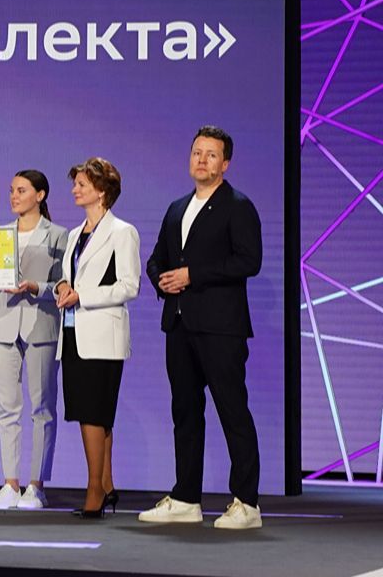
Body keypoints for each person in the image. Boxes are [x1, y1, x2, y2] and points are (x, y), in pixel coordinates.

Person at [140, 126, 264, 530]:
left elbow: (249, 261)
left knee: (232, 410)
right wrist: (162, 279)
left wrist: (193, 275)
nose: (202, 160)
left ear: (225, 163)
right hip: (178, 323)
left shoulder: (237, 206)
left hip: (221, 327)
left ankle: (247, 503)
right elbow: (156, 258)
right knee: (185, 412)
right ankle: (186, 498)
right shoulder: (177, 207)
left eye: (211, 154)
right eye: (197, 152)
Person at [0, 170, 69, 510]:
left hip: (41, 324)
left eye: (22, 190)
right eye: (12, 190)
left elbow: (63, 284)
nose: (14, 196)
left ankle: (36, 485)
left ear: (40, 195)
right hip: (2, 324)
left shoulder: (58, 235)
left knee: (42, 407)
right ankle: (10, 484)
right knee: (6, 408)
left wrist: (36, 287)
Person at [54, 157, 139, 520]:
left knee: (94, 411)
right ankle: (105, 483)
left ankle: (94, 490)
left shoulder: (122, 232)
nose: (75, 190)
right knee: (91, 413)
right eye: (75, 184)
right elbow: (69, 276)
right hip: (73, 331)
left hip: (103, 333)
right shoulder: (75, 234)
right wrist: (62, 286)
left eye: (82, 184)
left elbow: (129, 286)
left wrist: (82, 297)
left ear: (102, 191)